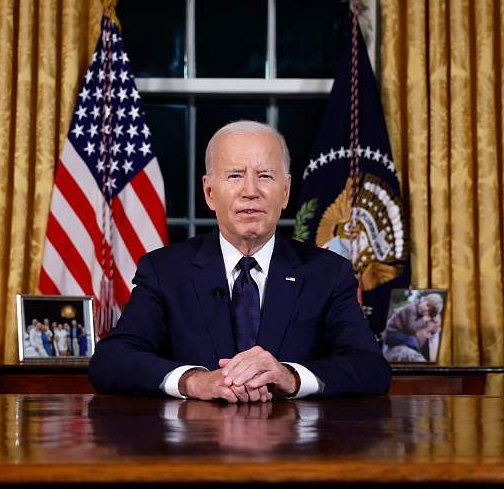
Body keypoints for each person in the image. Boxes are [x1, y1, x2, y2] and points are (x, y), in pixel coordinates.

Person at [89, 120, 391, 401]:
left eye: (265, 176)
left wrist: (291, 377)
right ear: (209, 192)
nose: (250, 191)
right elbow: (112, 360)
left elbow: (370, 367)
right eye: (235, 175)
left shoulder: (328, 272)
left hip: (295, 449)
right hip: (194, 446)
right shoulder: (165, 271)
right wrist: (194, 381)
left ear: (285, 192)